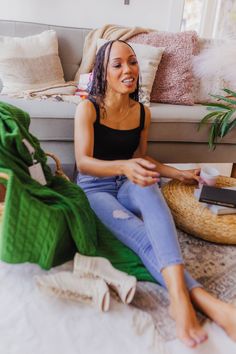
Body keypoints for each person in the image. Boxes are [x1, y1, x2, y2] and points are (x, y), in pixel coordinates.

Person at [74, 39, 236, 348]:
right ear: (103, 72)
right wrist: (125, 167)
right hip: (95, 189)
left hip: (127, 183)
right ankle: (203, 303)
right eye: (117, 64)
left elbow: (142, 159)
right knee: (144, 238)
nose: (128, 70)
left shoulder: (142, 113)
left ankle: (180, 299)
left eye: (132, 62)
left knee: (147, 182)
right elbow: (84, 163)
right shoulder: (88, 108)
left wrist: (178, 173)